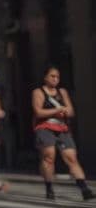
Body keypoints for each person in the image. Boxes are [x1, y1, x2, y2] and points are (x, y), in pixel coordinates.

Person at [32, 66, 93, 201]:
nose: (55, 79)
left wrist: (64, 110)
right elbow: (39, 112)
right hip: (45, 127)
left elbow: (70, 111)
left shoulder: (62, 92)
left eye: (57, 77)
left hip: (62, 128)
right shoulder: (38, 92)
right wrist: (57, 110)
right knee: (49, 156)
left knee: (71, 157)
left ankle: (84, 188)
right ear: (45, 77)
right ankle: (49, 188)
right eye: (52, 76)